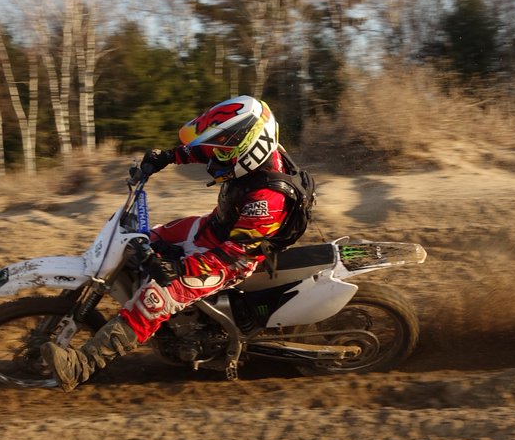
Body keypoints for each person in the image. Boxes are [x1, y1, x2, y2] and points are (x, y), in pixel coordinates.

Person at [41, 95, 312, 392]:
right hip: (215, 228)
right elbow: (212, 151)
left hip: (232, 258)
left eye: (224, 149)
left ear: (246, 147)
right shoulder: (252, 153)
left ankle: (82, 366)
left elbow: (234, 254)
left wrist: (178, 266)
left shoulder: (268, 199)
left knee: (154, 298)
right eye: (220, 147)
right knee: (140, 240)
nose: (217, 155)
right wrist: (169, 157)